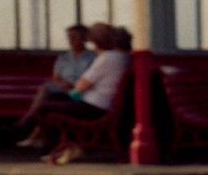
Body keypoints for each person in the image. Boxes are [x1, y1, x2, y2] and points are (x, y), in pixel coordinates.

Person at [33, 23, 131, 165]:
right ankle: (60, 143)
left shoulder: (107, 58)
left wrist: (73, 95)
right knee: (55, 98)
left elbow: (80, 87)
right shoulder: (124, 57)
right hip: (103, 104)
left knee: (44, 108)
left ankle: (52, 148)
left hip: (93, 107)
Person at [15, 23, 95, 148]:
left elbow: (90, 79)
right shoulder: (64, 57)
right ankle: (34, 133)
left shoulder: (92, 57)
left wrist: (74, 85)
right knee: (46, 92)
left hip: (79, 95)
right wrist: (63, 84)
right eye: (69, 37)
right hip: (63, 90)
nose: (71, 40)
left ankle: (30, 123)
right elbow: (56, 78)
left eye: (75, 37)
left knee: (48, 100)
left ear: (84, 39)